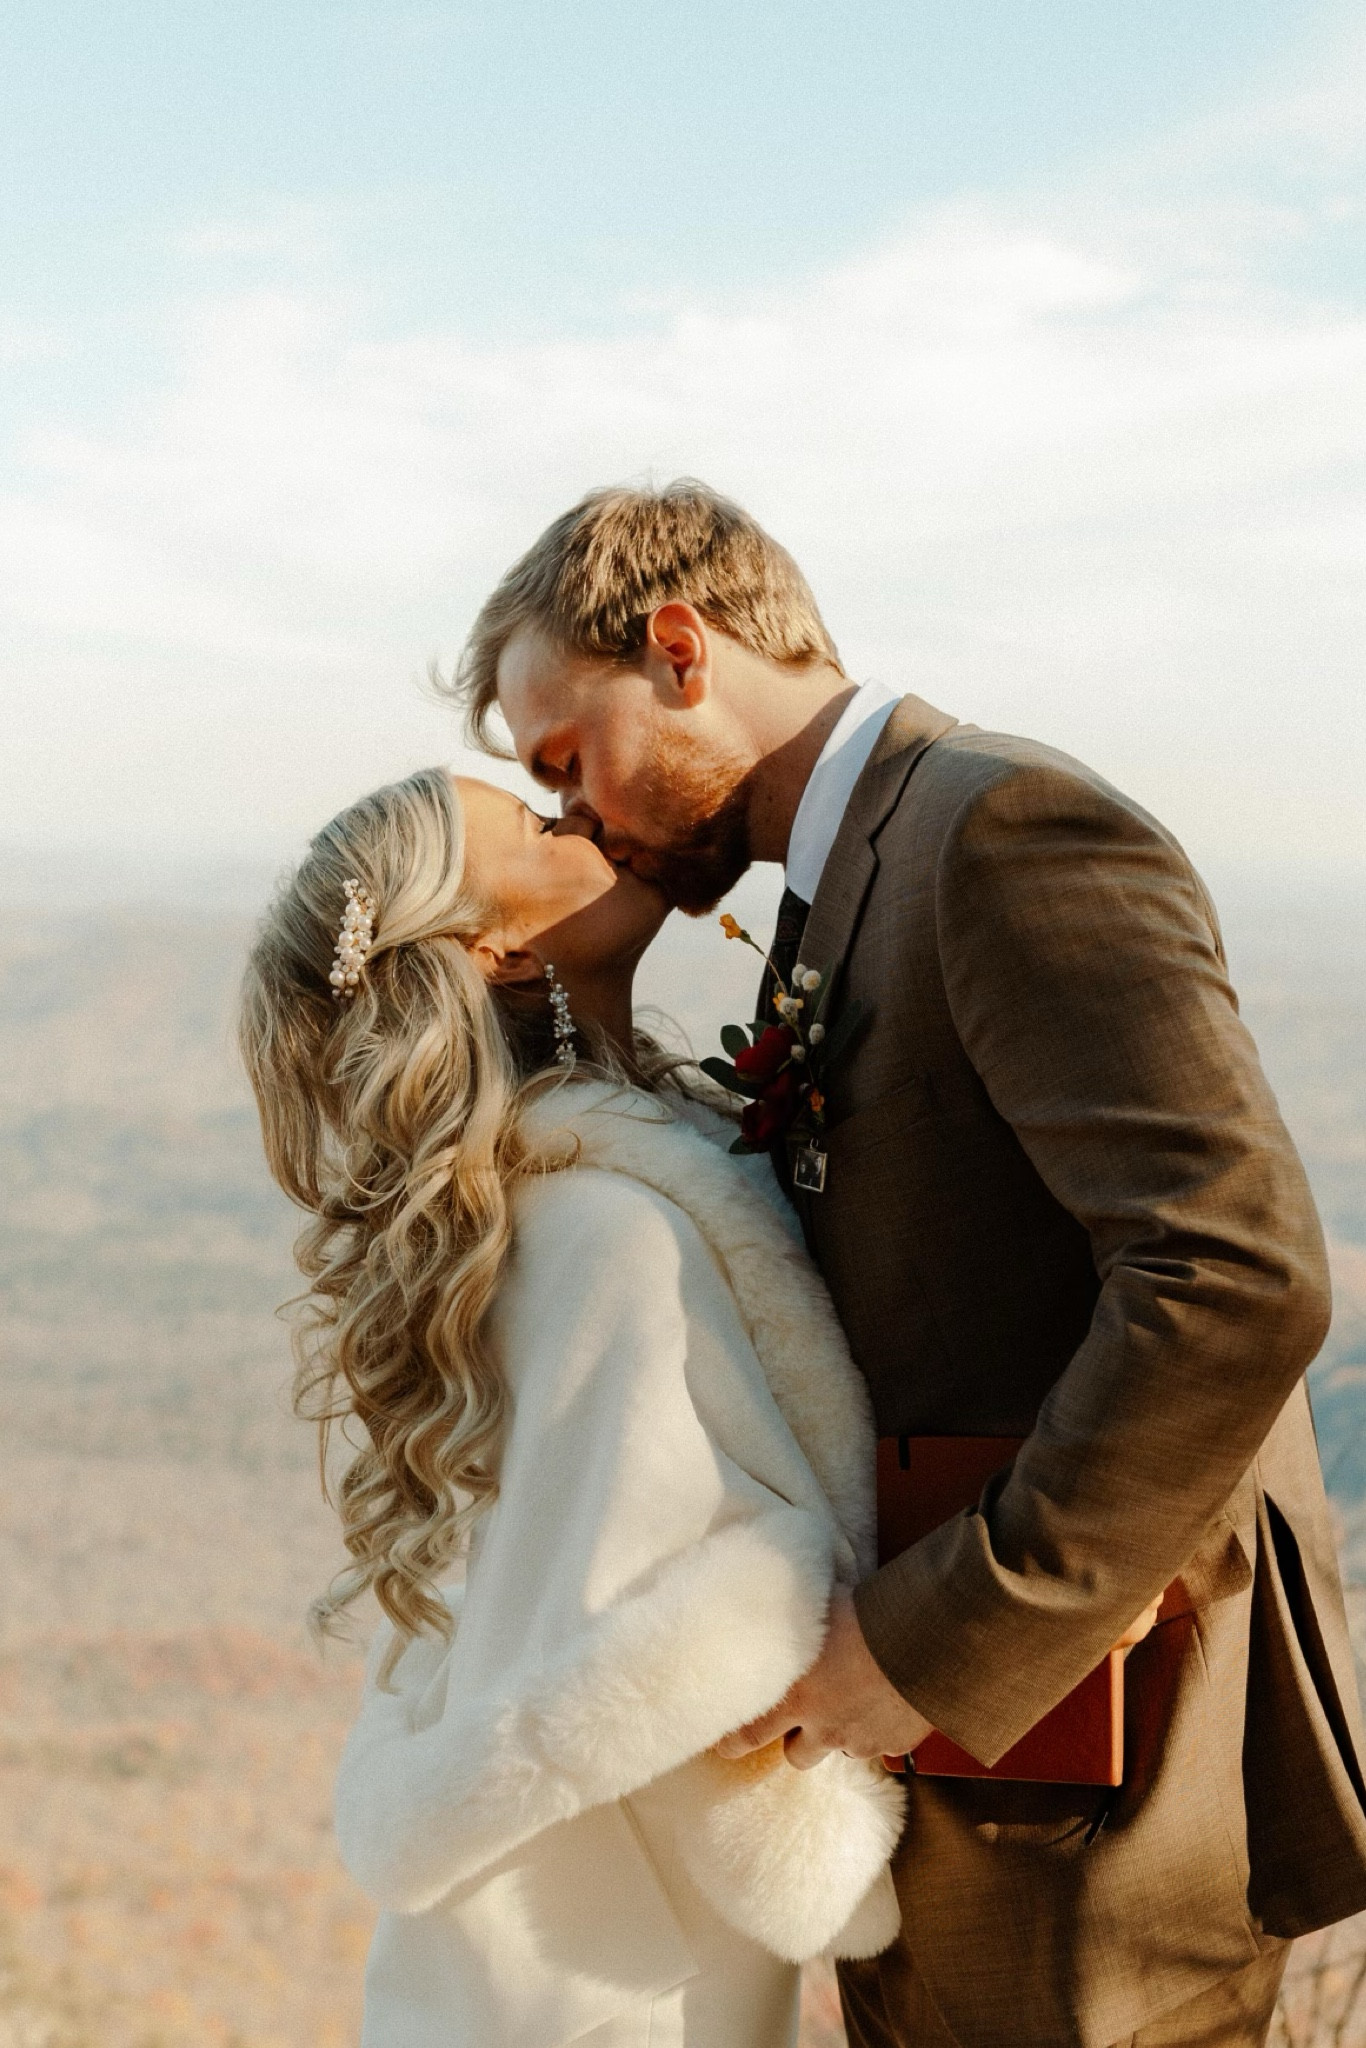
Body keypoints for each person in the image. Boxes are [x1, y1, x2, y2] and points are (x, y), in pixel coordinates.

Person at [459, 479, 1366, 2048]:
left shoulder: (998, 827)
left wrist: (927, 1643)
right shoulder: (845, 875)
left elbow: (1234, 1274)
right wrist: (564, 1000)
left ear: (682, 648)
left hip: (1103, 1752)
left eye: (566, 757)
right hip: (973, 1753)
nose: (575, 814)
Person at [238, 765, 912, 2048]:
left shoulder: (546, 1203)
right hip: (603, 1945)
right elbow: (670, 1599)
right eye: (545, 828)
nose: (589, 818)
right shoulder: (601, 1231)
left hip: (578, 1899)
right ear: (490, 948)